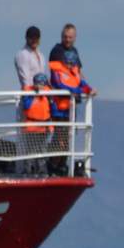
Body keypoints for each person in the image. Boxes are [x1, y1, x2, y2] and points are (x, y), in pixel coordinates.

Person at [47, 23, 95, 174]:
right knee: (60, 136)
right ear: (61, 37)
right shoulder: (56, 51)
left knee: (68, 136)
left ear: (75, 38)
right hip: (59, 104)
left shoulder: (74, 52)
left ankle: (62, 164)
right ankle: (52, 164)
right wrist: (75, 90)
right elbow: (57, 79)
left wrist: (88, 88)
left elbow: (78, 75)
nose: (67, 40)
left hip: (71, 104)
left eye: (70, 37)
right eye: (65, 37)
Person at [19, 71, 52, 175]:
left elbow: (53, 107)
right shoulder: (28, 92)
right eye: (37, 83)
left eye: (42, 83)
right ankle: (28, 169)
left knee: (42, 149)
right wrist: (34, 95)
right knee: (31, 149)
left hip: (45, 126)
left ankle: (42, 169)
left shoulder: (48, 94)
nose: (40, 86)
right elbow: (26, 105)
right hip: (31, 125)